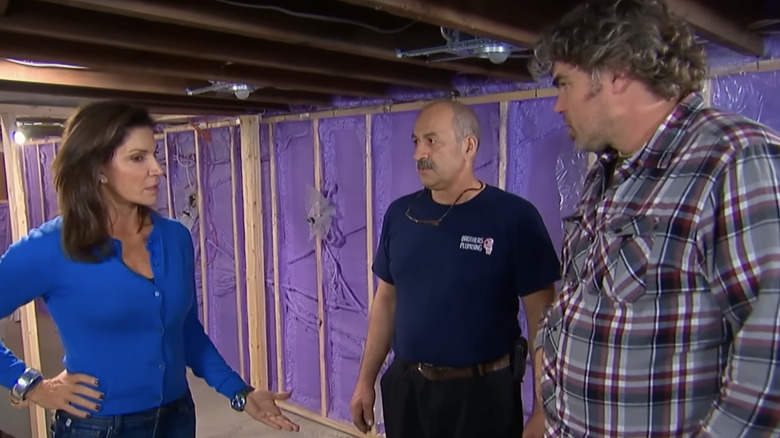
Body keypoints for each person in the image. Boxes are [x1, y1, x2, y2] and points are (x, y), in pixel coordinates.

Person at [529, 0, 780, 436]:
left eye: (564, 84)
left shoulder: (733, 159)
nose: (557, 105)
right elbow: (580, 305)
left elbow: (769, 364)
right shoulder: (609, 174)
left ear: (617, 72)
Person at [0, 101, 300, 437]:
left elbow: (185, 331)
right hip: (98, 426)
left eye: (155, 155)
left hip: (177, 418)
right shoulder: (49, 248)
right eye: (138, 157)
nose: (157, 169)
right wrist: (31, 385)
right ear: (98, 168)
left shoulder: (175, 238)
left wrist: (239, 392)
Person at [350, 100, 559, 438]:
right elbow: (386, 300)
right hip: (408, 391)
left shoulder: (515, 218)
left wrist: (541, 409)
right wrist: (365, 381)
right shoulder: (399, 215)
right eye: (416, 141)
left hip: (481, 395)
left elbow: (543, 320)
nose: (420, 153)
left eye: (432, 141)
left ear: (468, 146)